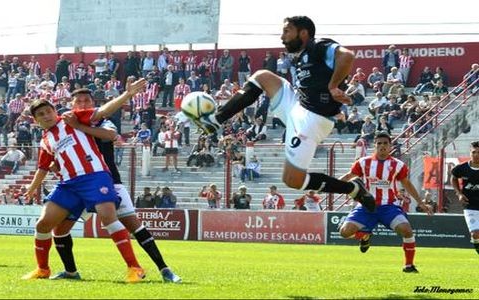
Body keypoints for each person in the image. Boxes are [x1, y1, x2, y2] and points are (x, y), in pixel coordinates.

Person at [187, 16, 376, 212]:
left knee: (293, 180)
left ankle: (352, 189)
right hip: (297, 104)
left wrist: (334, 86)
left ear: (303, 33)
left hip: (312, 119)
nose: (282, 37)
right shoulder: (299, 57)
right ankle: (215, 120)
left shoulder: (319, 46)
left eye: (287, 31)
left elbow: (347, 56)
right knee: (262, 76)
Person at [44, 86, 181, 282]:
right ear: (72, 105)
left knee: (134, 225)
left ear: (93, 104)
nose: (83, 104)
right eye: (79, 101)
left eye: (86, 101)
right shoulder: (64, 126)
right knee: (60, 230)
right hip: (77, 186)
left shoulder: (102, 120)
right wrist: (55, 164)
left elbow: (110, 136)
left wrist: (81, 127)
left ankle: (165, 269)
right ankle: (71, 271)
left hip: (107, 181)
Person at [22, 79, 148, 283]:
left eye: (48, 111)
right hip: (69, 184)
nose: (46, 116)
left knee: (109, 218)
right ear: (36, 121)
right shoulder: (45, 140)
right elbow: (43, 168)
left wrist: (127, 95)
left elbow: (102, 112)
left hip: (95, 176)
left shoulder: (70, 118)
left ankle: (134, 268)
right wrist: (31, 189)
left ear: (55, 111)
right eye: (40, 115)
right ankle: (42, 269)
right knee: (43, 225)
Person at [338, 131, 433, 273]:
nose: (382, 146)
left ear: (390, 146)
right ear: (374, 146)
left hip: (389, 206)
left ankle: (409, 265)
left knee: (406, 230)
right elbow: (348, 176)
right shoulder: (363, 162)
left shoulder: (398, 165)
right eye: (379, 143)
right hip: (366, 206)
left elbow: (407, 184)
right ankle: (365, 235)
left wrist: (420, 202)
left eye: (385, 143)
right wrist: (330, 185)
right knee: (345, 233)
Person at [450, 141, 479, 255]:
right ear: (470, 153)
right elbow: (453, 178)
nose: (476, 155)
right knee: (475, 234)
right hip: (470, 205)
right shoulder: (461, 168)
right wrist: (459, 193)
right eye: (474, 152)